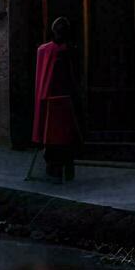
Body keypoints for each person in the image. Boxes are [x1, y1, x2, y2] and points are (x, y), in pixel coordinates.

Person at [33, 17, 82, 181]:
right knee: (56, 138)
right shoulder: (47, 50)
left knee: (62, 138)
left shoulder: (66, 50)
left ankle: (61, 168)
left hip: (61, 100)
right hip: (54, 100)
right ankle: (57, 168)